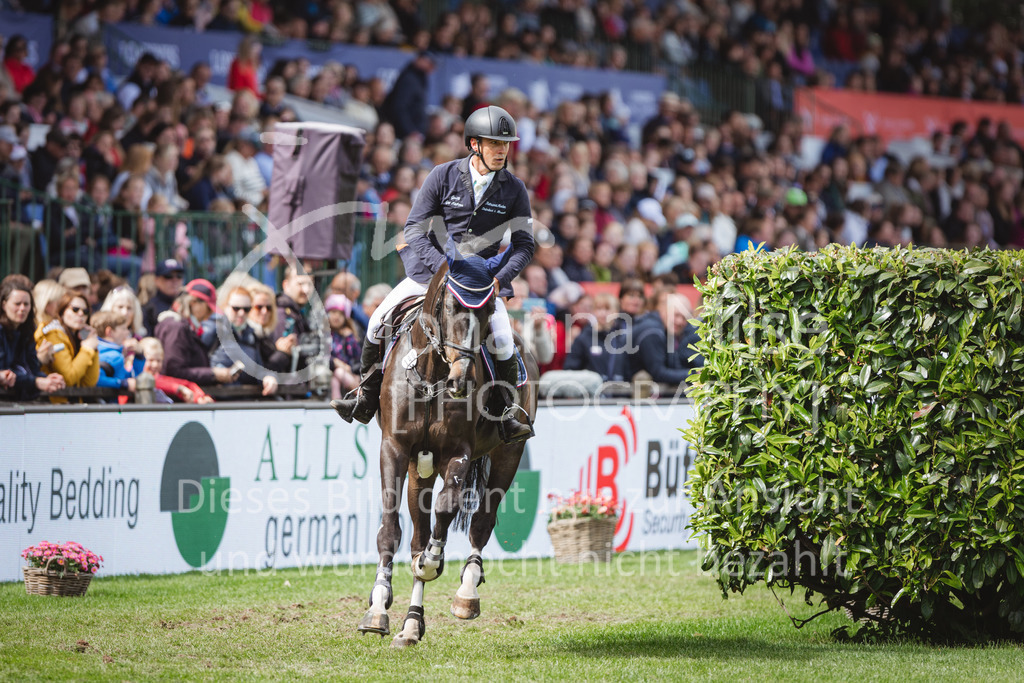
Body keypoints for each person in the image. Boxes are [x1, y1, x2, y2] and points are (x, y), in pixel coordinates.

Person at [332, 105, 535, 444]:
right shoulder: (442, 176)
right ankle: (365, 395)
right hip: (431, 273)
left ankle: (505, 414)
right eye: (494, 143)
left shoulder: (515, 189)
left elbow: (524, 245)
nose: (502, 150)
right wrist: (443, 267)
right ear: (474, 144)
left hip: (481, 281)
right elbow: (413, 228)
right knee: (378, 319)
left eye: (505, 144)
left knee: (501, 339)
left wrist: (501, 276)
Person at [154, 278, 236, 387]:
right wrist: (212, 374)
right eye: (208, 307)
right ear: (193, 303)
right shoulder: (176, 327)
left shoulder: (182, 326)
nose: (210, 313)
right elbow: (174, 371)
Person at [1, 280, 65, 400]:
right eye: (17, 303)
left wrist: (48, 379)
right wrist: (36, 381)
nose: (22, 308)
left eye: (26, 304)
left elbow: (31, 369)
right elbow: (6, 372)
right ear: (4, 305)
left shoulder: (28, 331)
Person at [209, 286, 279, 396]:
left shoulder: (251, 335)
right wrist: (217, 374)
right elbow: (199, 368)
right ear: (225, 306)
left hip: (245, 401)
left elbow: (258, 369)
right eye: (236, 308)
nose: (241, 313)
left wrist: (269, 377)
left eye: (246, 309)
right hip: (218, 402)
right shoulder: (213, 330)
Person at [34, 291, 101, 403]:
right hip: (50, 406)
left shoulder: (77, 337)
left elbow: (89, 382)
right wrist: (87, 350)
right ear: (62, 311)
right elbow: (68, 378)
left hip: (71, 405)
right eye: (75, 309)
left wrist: (93, 349)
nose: (80, 314)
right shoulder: (53, 334)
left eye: (85, 312)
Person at [629, 291, 703, 389]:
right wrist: (694, 375)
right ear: (664, 311)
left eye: (684, 318)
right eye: (676, 315)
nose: (680, 321)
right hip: (622, 395)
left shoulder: (662, 330)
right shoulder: (653, 332)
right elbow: (658, 373)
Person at [137, 336, 211, 403]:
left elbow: (188, 384)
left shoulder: (161, 378)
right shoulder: (134, 375)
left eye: (159, 361)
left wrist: (200, 397)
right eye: (151, 360)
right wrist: (178, 388)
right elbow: (156, 383)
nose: (155, 365)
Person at [91, 310, 138, 396]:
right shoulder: (114, 356)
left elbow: (132, 376)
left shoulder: (93, 349)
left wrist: (139, 356)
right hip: (107, 407)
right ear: (109, 332)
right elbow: (95, 379)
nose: (127, 332)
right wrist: (122, 383)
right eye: (124, 328)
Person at [324, 293, 361, 400]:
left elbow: (357, 357)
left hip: (350, 374)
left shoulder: (350, 335)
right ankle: (360, 393)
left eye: (341, 314)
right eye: (333, 312)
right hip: (331, 373)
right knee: (337, 373)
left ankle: (337, 401)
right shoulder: (324, 335)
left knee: (338, 374)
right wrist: (337, 363)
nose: (337, 316)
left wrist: (349, 337)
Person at [142, 258, 184, 333]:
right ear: (157, 280)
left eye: (179, 276)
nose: (175, 280)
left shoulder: (188, 302)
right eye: (168, 276)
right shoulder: (150, 309)